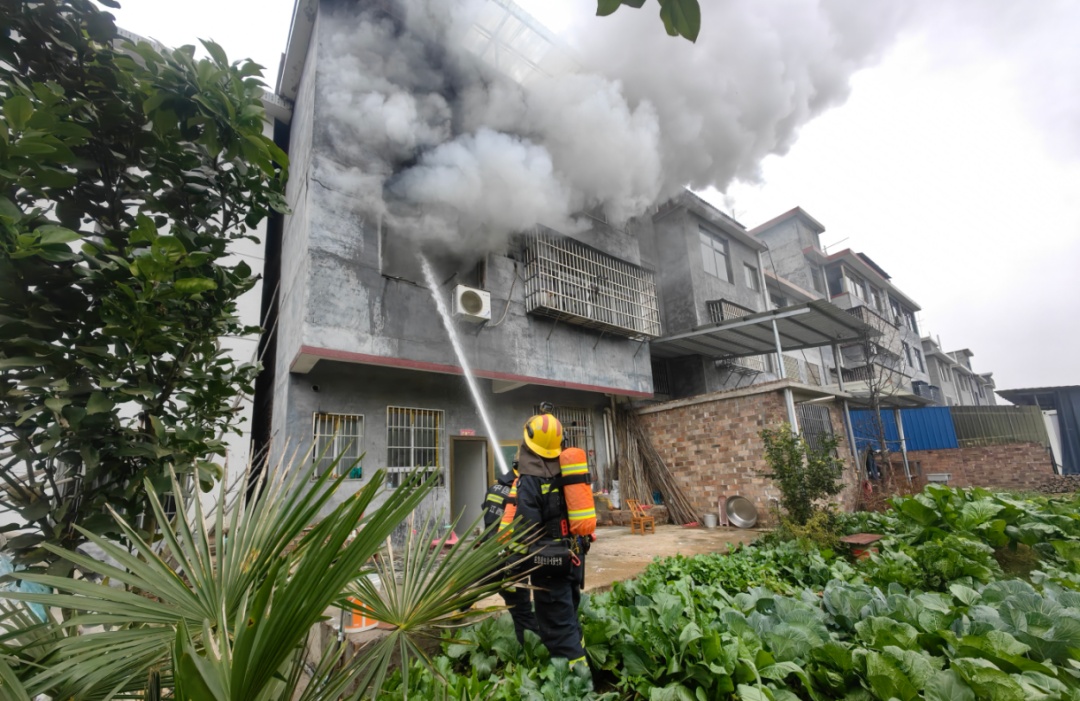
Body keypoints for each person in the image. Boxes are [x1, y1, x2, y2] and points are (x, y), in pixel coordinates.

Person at [513, 412, 589, 672]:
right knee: (570, 617)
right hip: (574, 559)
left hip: (550, 564)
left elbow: (526, 529)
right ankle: (582, 657)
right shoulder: (567, 473)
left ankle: (578, 681)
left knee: (558, 628)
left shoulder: (531, 481)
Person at [480, 460, 539, 644]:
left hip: (487, 557)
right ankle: (532, 652)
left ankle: (459, 608)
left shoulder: (494, 489)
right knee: (522, 610)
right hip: (510, 560)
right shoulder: (522, 492)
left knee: (473, 586)